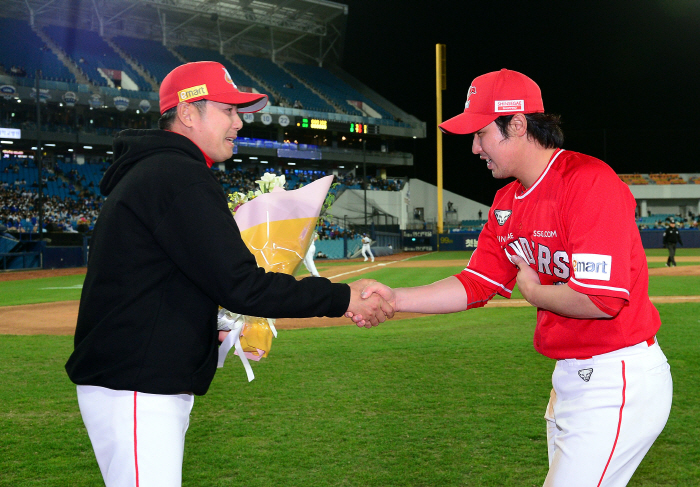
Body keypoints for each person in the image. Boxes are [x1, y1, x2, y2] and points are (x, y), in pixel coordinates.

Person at [65, 61, 393, 487]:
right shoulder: (176, 175)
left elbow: (161, 281)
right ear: (187, 112)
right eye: (228, 110)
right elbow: (242, 286)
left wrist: (211, 327)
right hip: (136, 385)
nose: (239, 122)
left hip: (134, 380)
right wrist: (343, 297)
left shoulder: (160, 172)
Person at [353, 69, 672, 487]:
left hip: (618, 379)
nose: (474, 147)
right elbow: (475, 282)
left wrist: (535, 291)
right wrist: (395, 297)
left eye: (481, 133)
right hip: (570, 382)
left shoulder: (587, 182)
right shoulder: (507, 200)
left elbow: (602, 300)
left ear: (517, 124)